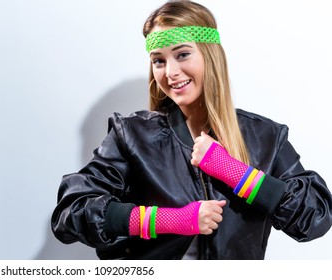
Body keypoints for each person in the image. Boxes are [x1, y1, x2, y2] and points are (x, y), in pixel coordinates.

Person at [50, 0, 332, 259]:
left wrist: (238, 174)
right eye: (159, 60)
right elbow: (70, 212)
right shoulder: (132, 136)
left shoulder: (266, 137)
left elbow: (316, 217)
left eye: (182, 54)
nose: (170, 72)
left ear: (210, 56)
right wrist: (167, 220)